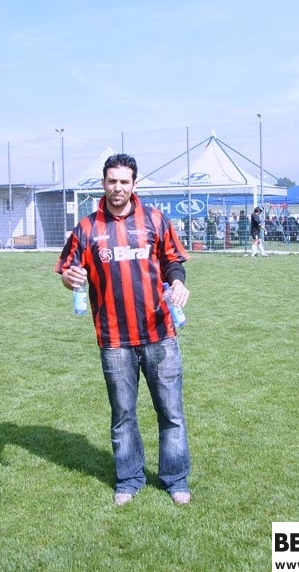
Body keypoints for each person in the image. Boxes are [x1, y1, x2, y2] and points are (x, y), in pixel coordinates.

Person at [55, 153, 191, 507]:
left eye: (124, 181)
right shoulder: (86, 228)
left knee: (171, 413)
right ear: (103, 183)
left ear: (134, 184)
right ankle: (129, 479)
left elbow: (172, 261)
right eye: (112, 181)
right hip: (114, 340)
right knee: (123, 415)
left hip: (160, 334)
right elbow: (69, 271)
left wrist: (178, 282)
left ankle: (176, 479)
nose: (118, 187)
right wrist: (70, 279)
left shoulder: (156, 220)